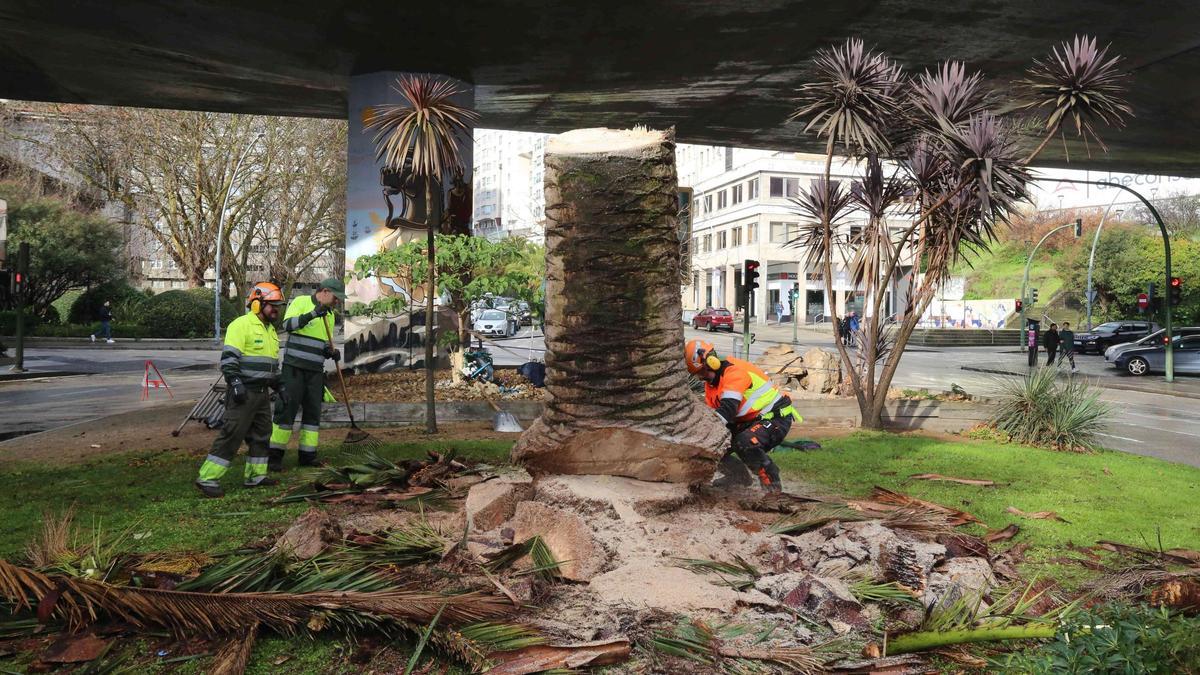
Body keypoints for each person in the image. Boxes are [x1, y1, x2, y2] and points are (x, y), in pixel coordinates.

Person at [195, 282, 289, 498]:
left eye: (278, 306)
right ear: (257, 304)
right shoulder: (241, 325)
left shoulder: (271, 331)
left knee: (262, 434)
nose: (277, 309)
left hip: (262, 394)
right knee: (232, 434)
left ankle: (256, 476)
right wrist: (235, 383)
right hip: (243, 392)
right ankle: (208, 478)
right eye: (273, 305)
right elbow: (229, 360)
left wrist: (280, 385)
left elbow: (272, 365)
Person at [685, 339, 802, 493]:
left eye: (701, 372)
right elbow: (715, 417)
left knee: (745, 442)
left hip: (775, 418)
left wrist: (703, 433)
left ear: (711, 362)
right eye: (697, 374)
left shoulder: (734, 372)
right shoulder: (711, 386)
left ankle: (772, 489)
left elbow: (727, 411)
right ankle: (738, 477)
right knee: (709, 447)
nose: (700, 378)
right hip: (748, 421)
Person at [270, 278, 346, 470]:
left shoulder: (329, 315)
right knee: (286, 411)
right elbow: (288, 326)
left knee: (313, 415)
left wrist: (329, 352)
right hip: (293, 369)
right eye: (336, 297)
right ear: (326, 291)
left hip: (315, 372)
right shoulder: (301, 302)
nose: (338, 302)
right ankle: (274, 457)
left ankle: (307, 456)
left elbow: (321, 342)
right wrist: (313, 313)